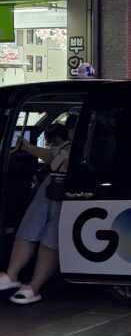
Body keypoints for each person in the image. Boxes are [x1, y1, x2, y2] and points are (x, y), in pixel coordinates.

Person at [0, 117, 74, 304]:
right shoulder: (69, 146)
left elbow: (62, 162)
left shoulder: (94, 144)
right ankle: (11, 274)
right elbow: (51, 157)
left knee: (51, 238)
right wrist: (26, 147)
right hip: (50, 186)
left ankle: (35, 285)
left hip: (68, 190)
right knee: (29, 228)